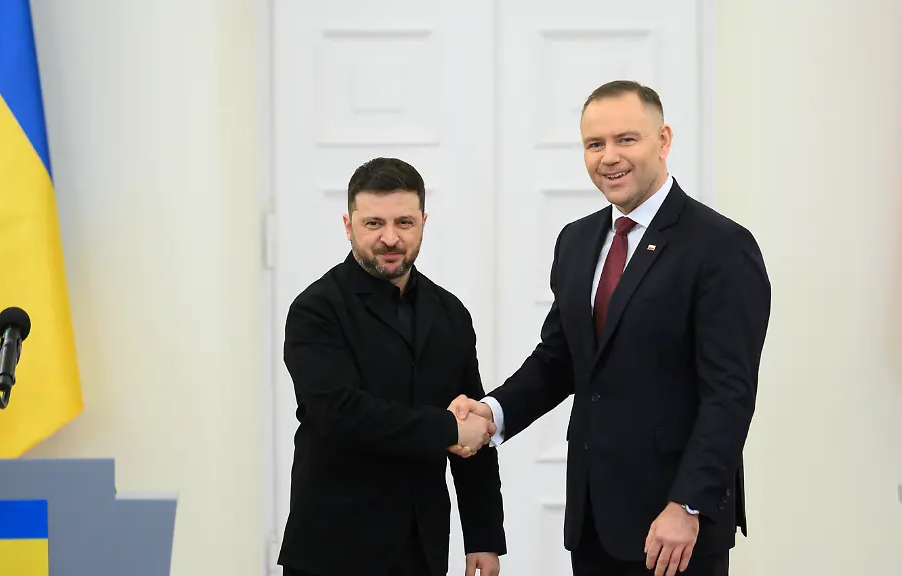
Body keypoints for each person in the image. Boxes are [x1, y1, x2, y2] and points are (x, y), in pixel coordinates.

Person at [451, 80, 771, 576]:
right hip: (595, 519)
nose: (609, 157)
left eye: (627, 139)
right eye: (594, 144)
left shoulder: (721, 246)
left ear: (663, 140)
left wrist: (688, 505)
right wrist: (493, 414)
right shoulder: (577, 241)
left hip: (675, 529)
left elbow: (729, 394)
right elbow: (560, 359)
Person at [277, 157, 506, 576]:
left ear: (423, 221)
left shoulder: (451, 313)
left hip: (422, 547)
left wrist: (484, 538)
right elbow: (339, 413)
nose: (390, 238)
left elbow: (471, 419)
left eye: (404, 222)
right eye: (373, 224)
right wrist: (448, 430)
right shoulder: (316, 309)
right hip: (333, 549)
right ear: (348, 225)